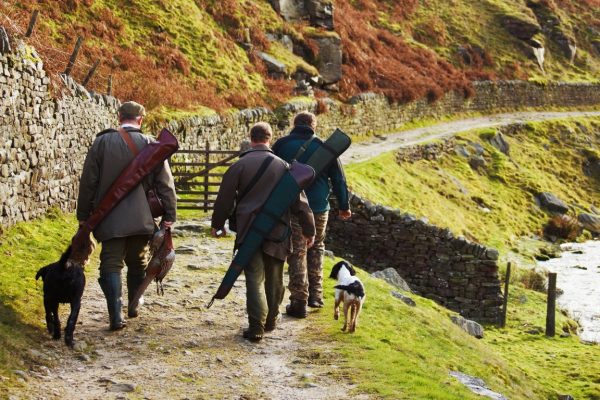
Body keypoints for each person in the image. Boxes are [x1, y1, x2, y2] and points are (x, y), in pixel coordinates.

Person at [76, 101, 177, 330]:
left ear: (119, 117)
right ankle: (133, 305)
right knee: (138, 261)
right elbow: (166, 185)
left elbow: (88, 182)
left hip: (108, 218)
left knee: (110, 264)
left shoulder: (102, 143)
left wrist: (84, 216)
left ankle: (115, 316)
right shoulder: (152, 145)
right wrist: (169, 216)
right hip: (142, 218)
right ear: (141, 119)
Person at [211, 122, 315, 342]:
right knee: (275, 279)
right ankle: (271, 321)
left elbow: (224, 200)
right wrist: (309, 230)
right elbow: (300, 203)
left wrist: (218, 224)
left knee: (254, 279)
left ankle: (256, 326)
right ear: (270, 138)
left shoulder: (239, 166)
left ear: (251, 138)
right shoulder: (284, 167)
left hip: (249, 231)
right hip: (278, 231)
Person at [272, 111, 351, 317]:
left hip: (291, 205)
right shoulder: (325, 147)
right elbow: (339, 179)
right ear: (313, 126)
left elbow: (271, 172)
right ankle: (316, 296)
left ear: (294, 124)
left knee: (297, 250)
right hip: (318, 207)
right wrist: (344, 206)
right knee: (317, 247)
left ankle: (299, 300)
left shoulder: (281, 145)